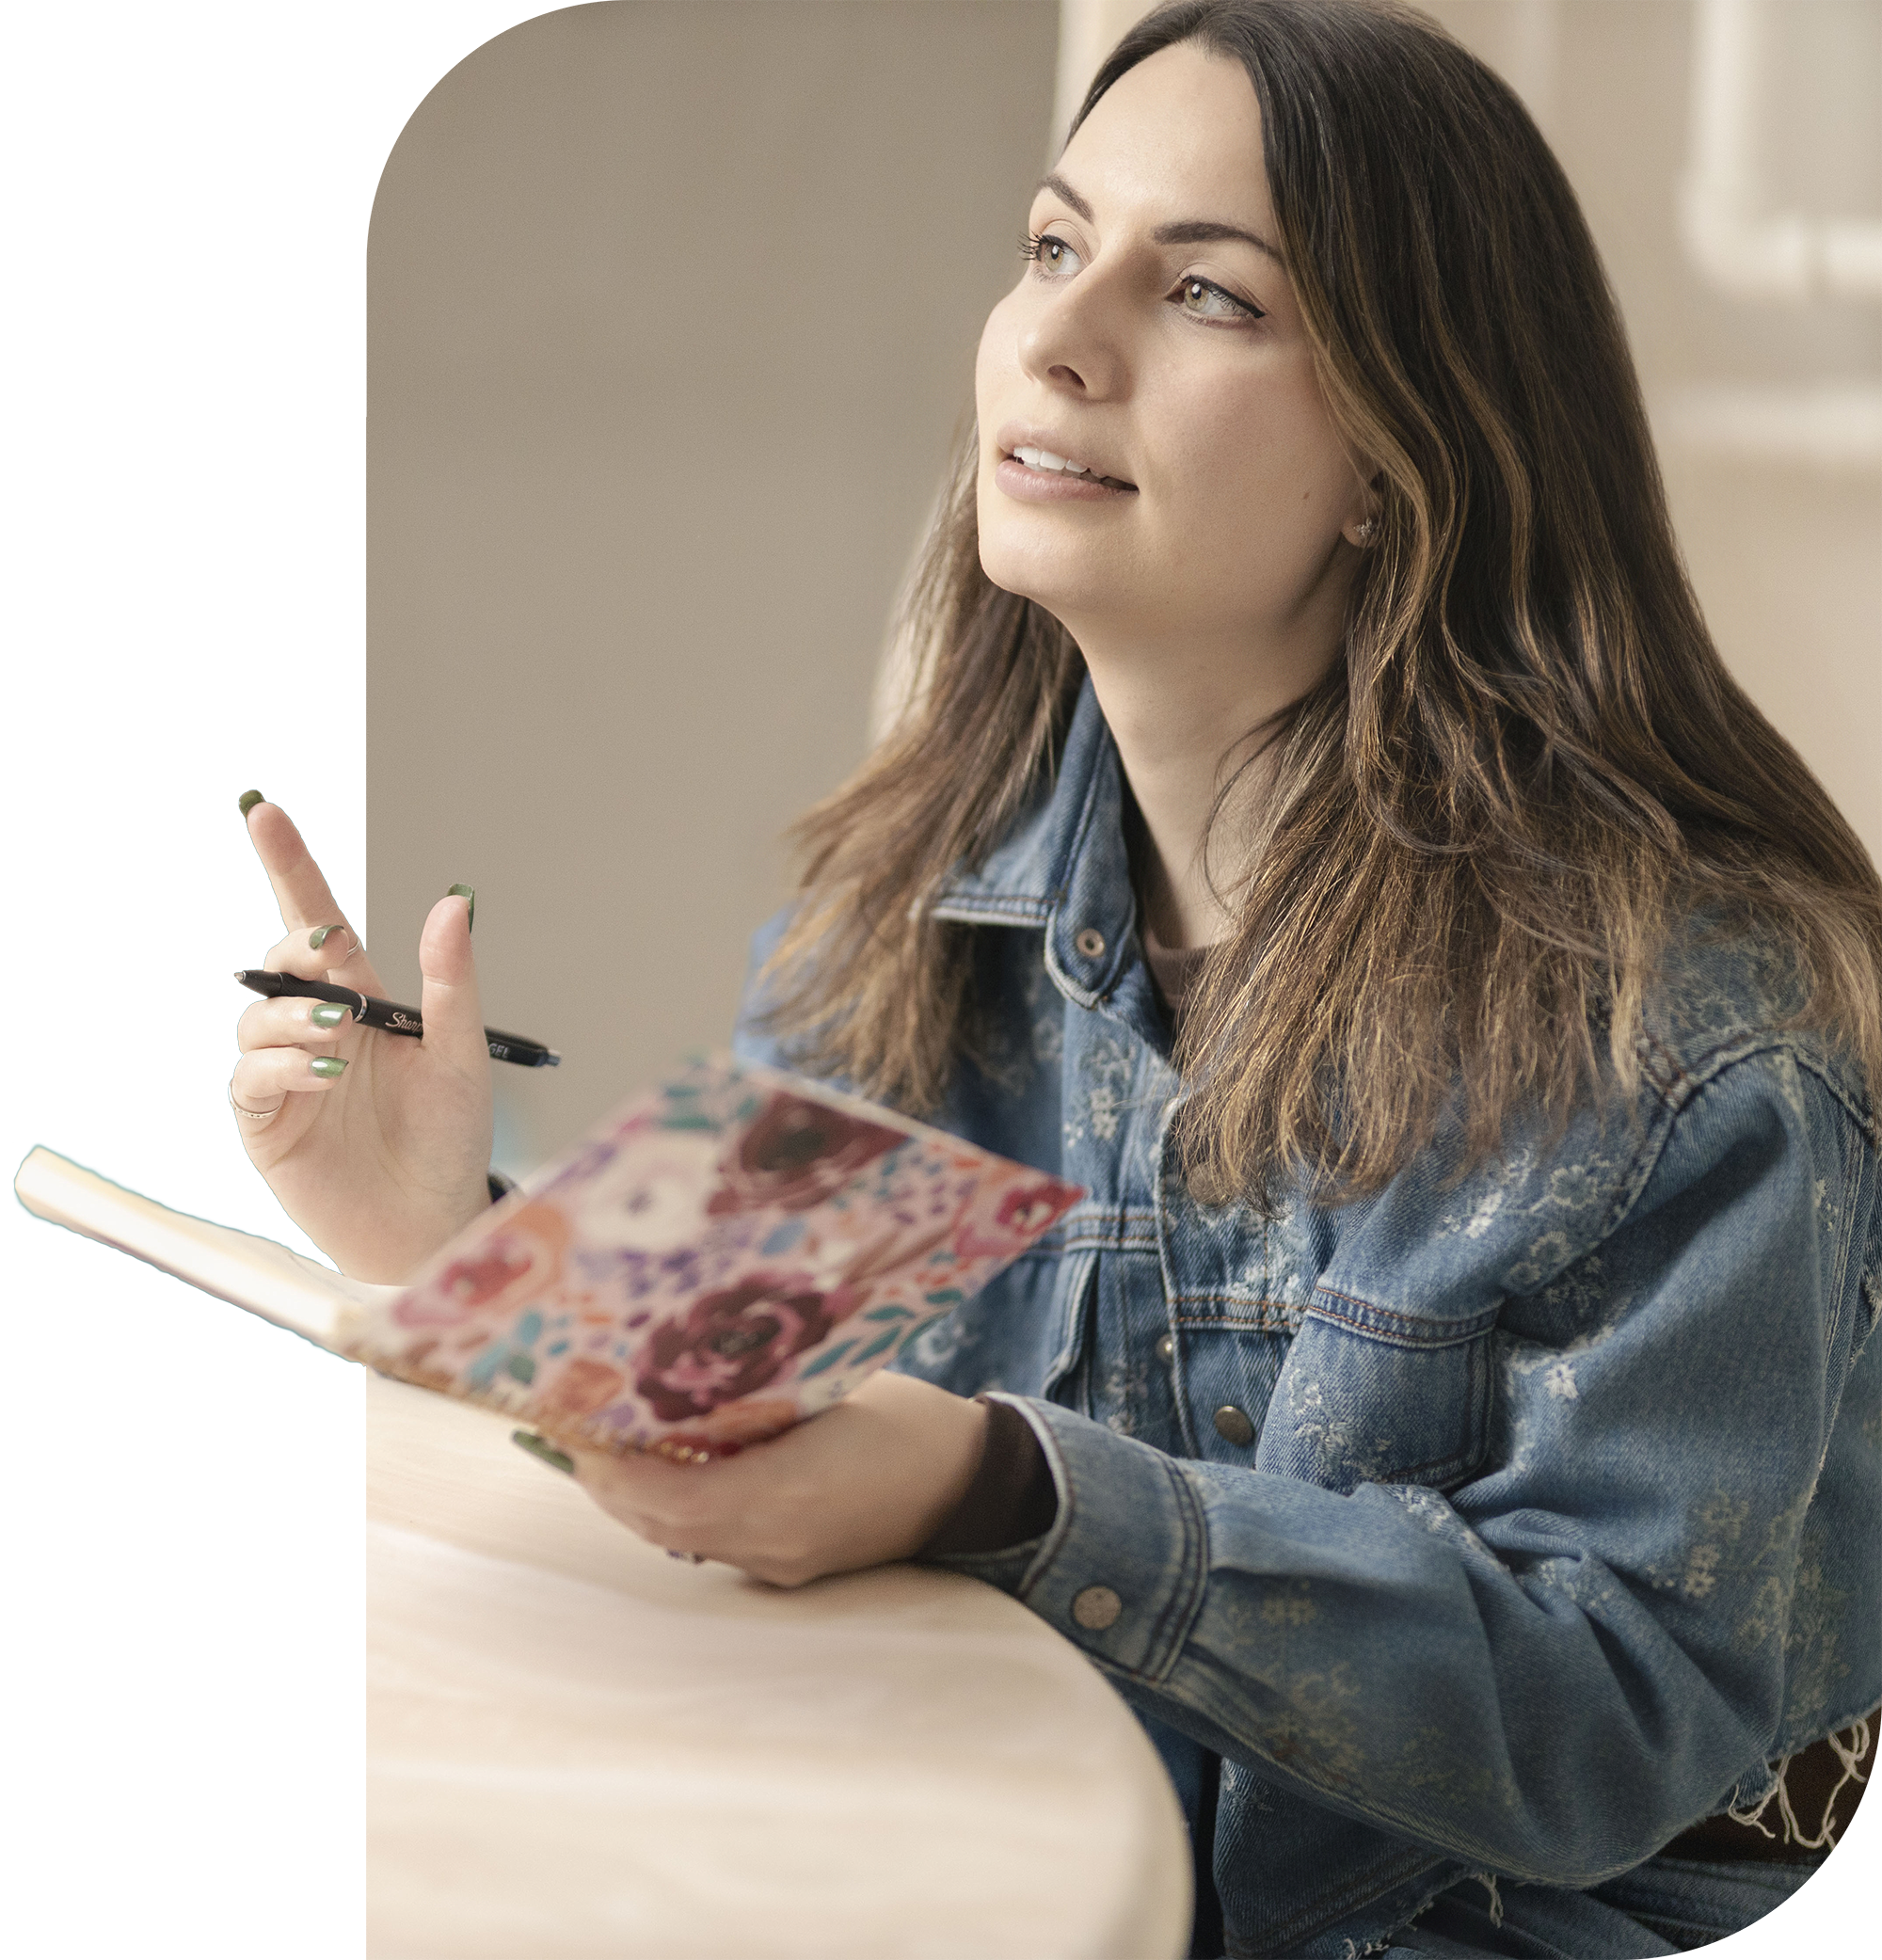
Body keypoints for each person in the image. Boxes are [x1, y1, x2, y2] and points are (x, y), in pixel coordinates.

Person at [240, 2, 1878, 1953]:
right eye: (1048, 246)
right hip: (1021, 1874)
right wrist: (454, 1245)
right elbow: (714, 1425)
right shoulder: (900, 910)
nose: (1057, 334)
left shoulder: (1685, 1024)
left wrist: (1011, 1489)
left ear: (1402, 448)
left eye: (1202, 292)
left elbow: (1617, 1717)